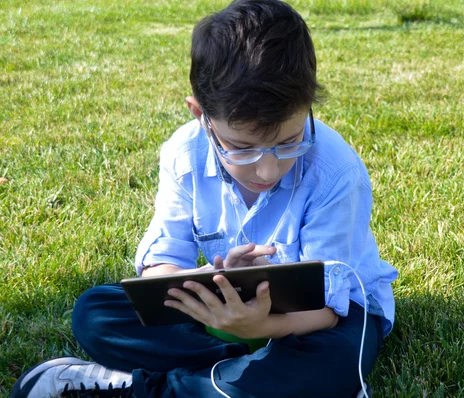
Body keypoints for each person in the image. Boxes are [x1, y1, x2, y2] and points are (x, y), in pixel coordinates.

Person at [10, 0, 398, 397]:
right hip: (223, 313)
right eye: (242, 149)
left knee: (332, 364)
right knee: (97, 313)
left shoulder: (336, 171)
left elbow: (329, 311)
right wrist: (218, 286)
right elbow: (161, 269)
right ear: (200, 114)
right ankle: (238, 375)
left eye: (288, 143)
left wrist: (260, 328)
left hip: (325, 319)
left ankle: (150, 389)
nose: (266, 170)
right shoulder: (183, 154)